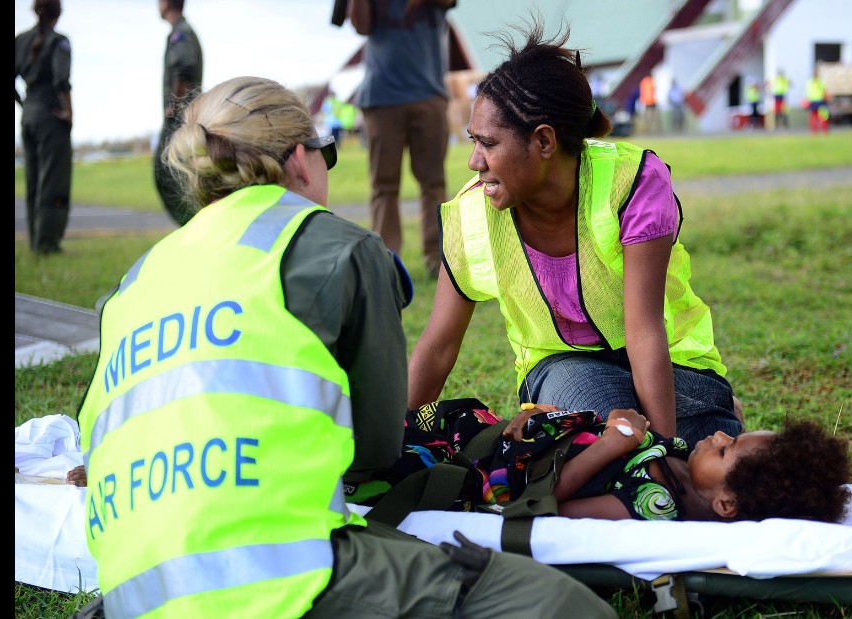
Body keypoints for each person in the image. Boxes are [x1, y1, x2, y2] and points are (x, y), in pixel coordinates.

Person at [72, 75, 617, 619]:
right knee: (568, 607)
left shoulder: (132, 282)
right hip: (271, 577)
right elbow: (375, 448)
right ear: (302, 160)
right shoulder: (339, 249)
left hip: (129, 590)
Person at [406, 16, 743, 450]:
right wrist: (392, 442)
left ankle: (711, 416)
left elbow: (644, 332)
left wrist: (663, 450)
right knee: (603, 434)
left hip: (670, 364)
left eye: (488, 144)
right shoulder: (471, 215)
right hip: (565, 370)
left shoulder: (632, 181)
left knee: (706, 459)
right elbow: (437, 347)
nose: (474, 161)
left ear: (544, 142)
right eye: (474, 141)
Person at [379, 401, 852, 523]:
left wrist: (612, 444)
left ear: (726, 504)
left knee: (389, 449)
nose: (719, 435)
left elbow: (551, 506)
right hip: (526, 437)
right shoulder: (686, 467)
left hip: (493, 472)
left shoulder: (654, 503)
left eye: (727, 449)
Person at [349, 0, 454, 279]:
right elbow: (360, 26)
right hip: (381, 98)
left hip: (428, 93)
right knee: (383, 184)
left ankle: (437, 257)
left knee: (433, 181)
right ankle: (387, 259)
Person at [15, 0, 73, 256]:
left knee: (33, 182)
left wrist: (25, 105)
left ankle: (36, 242)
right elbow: (62, 79)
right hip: (50, 116)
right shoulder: (59, 41)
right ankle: (47, 245)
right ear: (57, 13)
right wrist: (69, 113)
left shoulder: (20, 40)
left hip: (28, 117)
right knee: (53, 181)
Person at [154, 0, 203, 226]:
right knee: (172, 173)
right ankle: (191, 224)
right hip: (182, 115)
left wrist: (174, 105)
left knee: (167, 171)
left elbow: (184, 68)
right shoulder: (180, 32)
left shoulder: (180, 34)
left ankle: (192, 224)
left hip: (179, 117)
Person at [805, 69, 829, 134]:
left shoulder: (809, 82)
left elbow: (807, 92)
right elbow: (824, 91)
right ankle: (824, 130)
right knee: (823, 116)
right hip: (820, 100)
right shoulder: (820, 82)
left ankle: (814, 131)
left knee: (814, 116)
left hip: (813, 101)